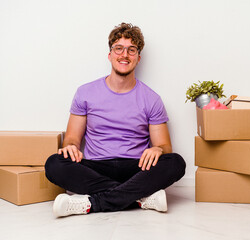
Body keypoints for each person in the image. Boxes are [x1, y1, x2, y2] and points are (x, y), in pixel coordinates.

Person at [45, 23, 186, 217]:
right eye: (118, 48)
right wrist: (70, 146)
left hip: (137, 167)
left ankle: (91, 204)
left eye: (131, 50)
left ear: (138, 57)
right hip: (96, 168)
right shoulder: (85, 92)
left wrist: (158, 149)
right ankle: (139, 197)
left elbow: (164, 146)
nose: (124, 55)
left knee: (175, 162)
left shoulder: (151, 99)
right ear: (110, 55)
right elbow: (71, 139)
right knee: (54, 163)